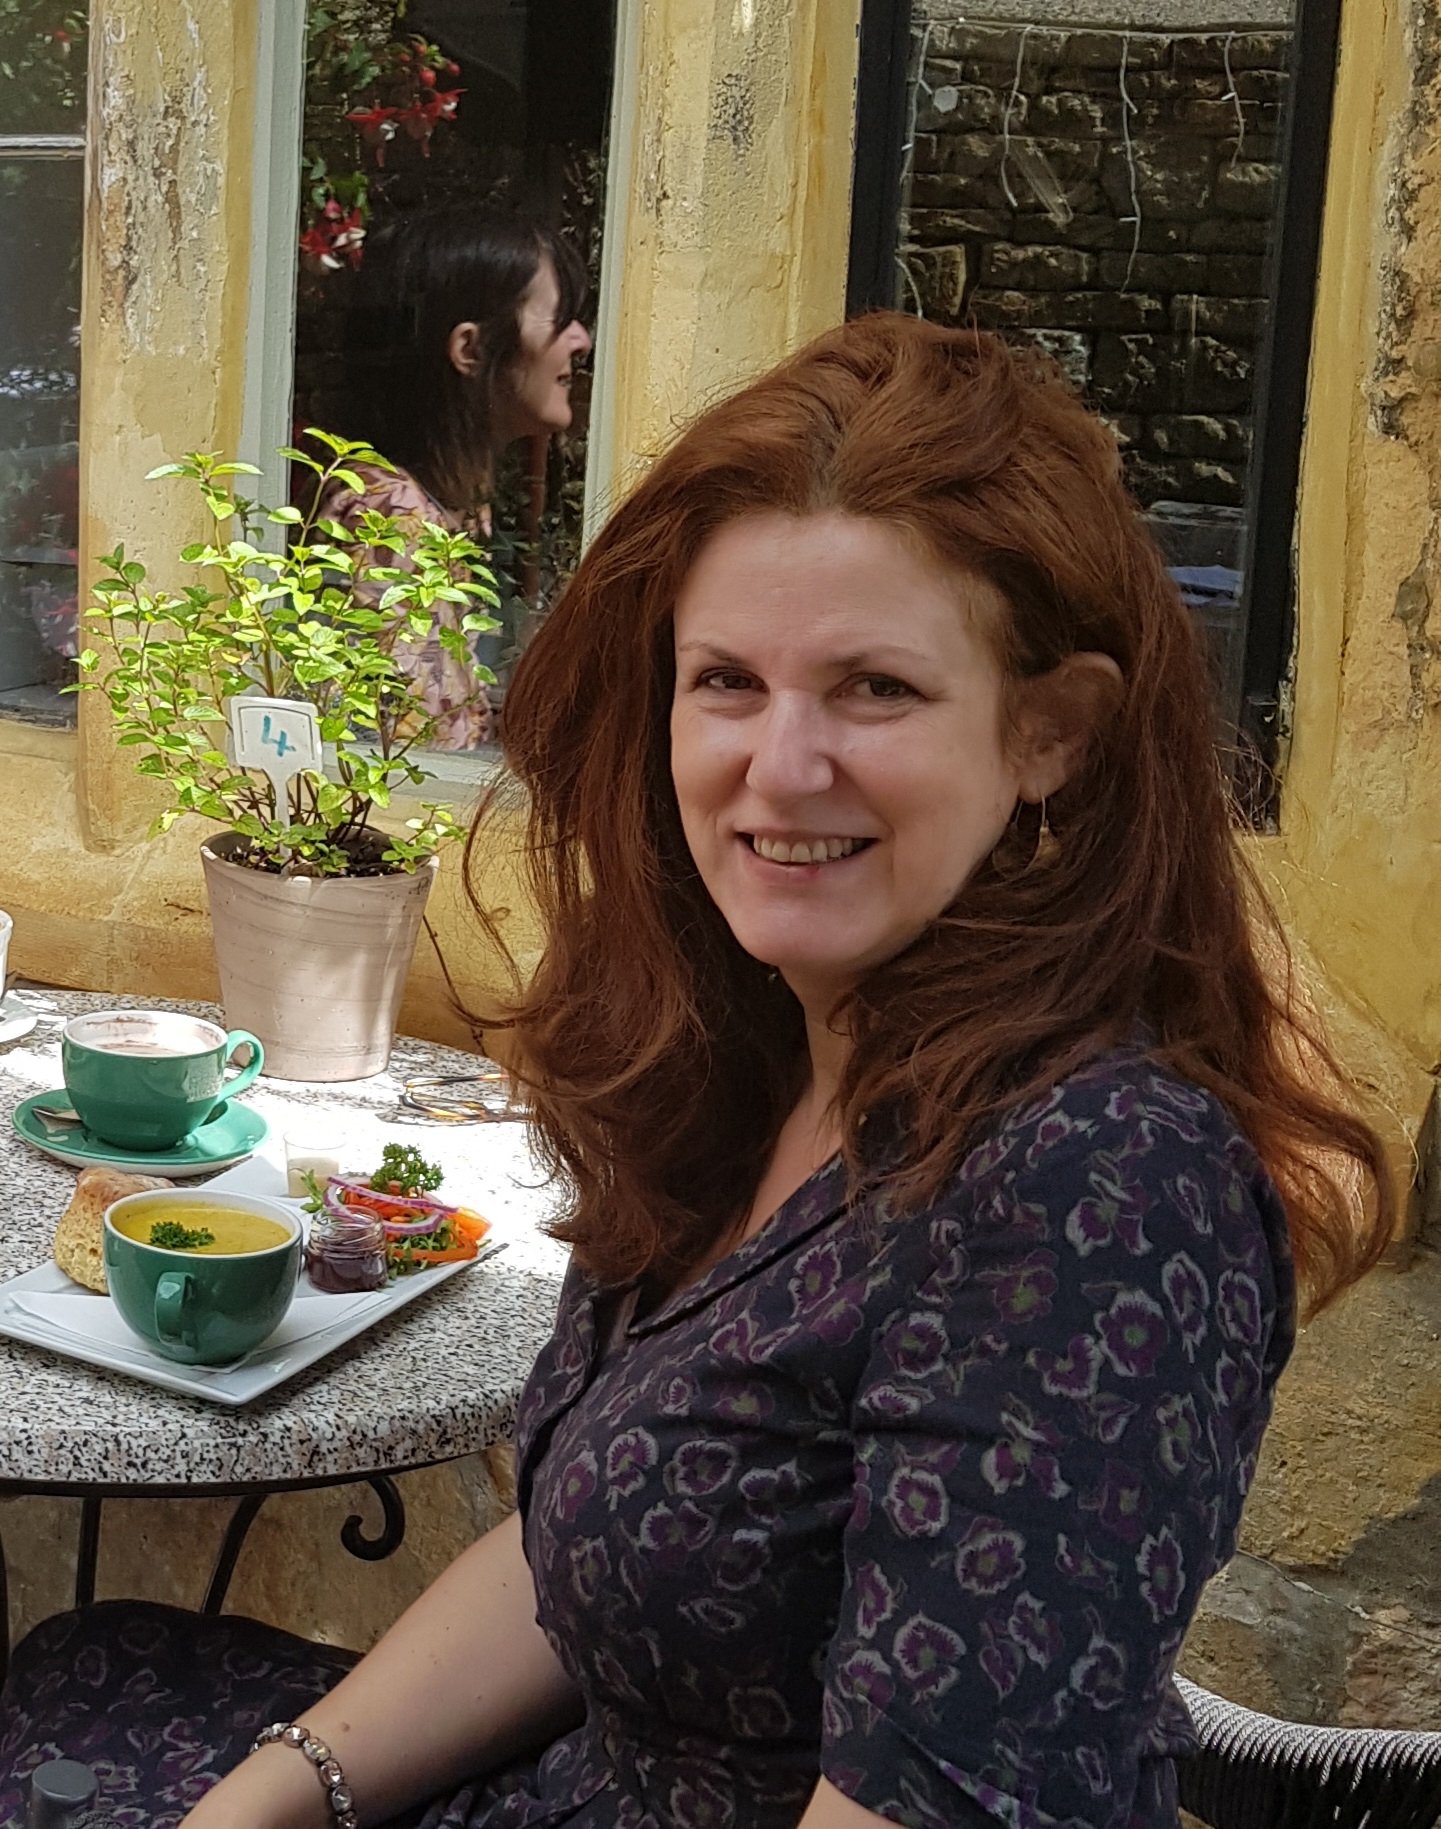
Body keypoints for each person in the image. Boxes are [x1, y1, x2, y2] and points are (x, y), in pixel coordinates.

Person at [0, 316, 1392, 1828]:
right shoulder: (753, 1059)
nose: (781, 766)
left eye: (874, 689)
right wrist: (287, 1793)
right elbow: (574, 1545)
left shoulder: (1095, 1187)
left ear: (1046, 734)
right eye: (727, 680)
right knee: (72, 1677)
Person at [316, 204, 592, 749]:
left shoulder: (455, 507)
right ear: (471, 348)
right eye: (559, 320)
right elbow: (398, 759)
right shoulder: (387, 519)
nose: (580, 340)